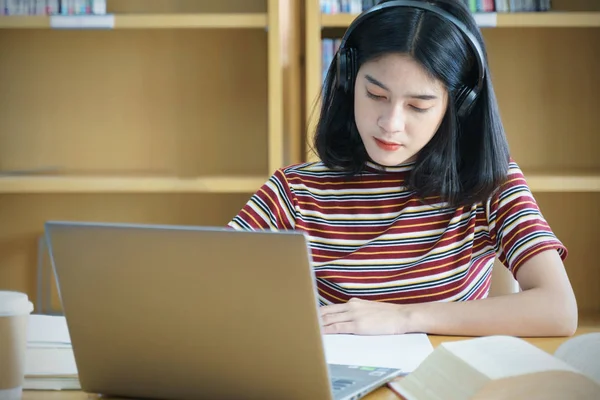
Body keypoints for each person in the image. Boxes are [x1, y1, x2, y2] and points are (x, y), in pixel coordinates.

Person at [227, 0, 578, 338]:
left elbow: (559, 309)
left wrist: (403, 317)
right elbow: (210, 286)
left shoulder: (489, 182)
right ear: (348, 81)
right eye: (375, 96)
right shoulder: (294, 192)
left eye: (418, 106)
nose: (391, 123)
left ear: (456, 106)